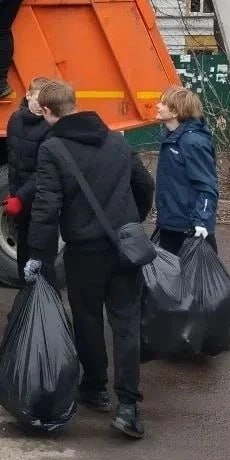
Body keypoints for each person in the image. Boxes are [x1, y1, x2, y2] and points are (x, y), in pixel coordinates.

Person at [26, 81, 155, 439]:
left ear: (47, 112)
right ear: (75, 103)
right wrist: (130, 223)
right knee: (126, 321)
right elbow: (144, 185)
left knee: (87, 318)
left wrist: (40, 255)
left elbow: (46, 206)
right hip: (125, 247)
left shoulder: (53, 147)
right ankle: (128, 406)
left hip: (85, 250)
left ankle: (95, 388)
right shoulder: (116, 139)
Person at [153, 86, 219, 256]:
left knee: (192, 281)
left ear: (175, 112)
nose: (157, 106)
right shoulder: (172, 138)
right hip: (171, 224)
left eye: (163, 103)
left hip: (189, 229)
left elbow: (207, 186)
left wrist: (202, 222)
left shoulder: (192, 142)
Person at [3, 75, 54, 286]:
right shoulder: (15, 119)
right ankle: (25, 296)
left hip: (41, 203)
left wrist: (21, 197)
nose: (41, 106)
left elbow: (44, 170)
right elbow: (12, 160)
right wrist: (14, 193)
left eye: (45, 102)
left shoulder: (50, 128)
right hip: (20, 202)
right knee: (23, 253)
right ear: (27, 95)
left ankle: (44, 303)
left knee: (41, 256)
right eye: (37, 99)